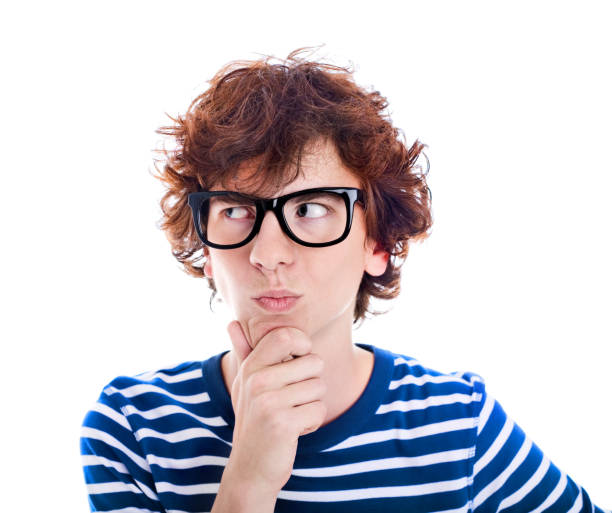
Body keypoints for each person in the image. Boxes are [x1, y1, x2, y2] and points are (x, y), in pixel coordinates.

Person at [80, 48, 609, 513]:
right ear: (206, 250)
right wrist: (249, 480)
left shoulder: (458, 424)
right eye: (237, 212)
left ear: (376, 244)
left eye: (309, 208)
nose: (267, 254)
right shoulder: (134, 426)